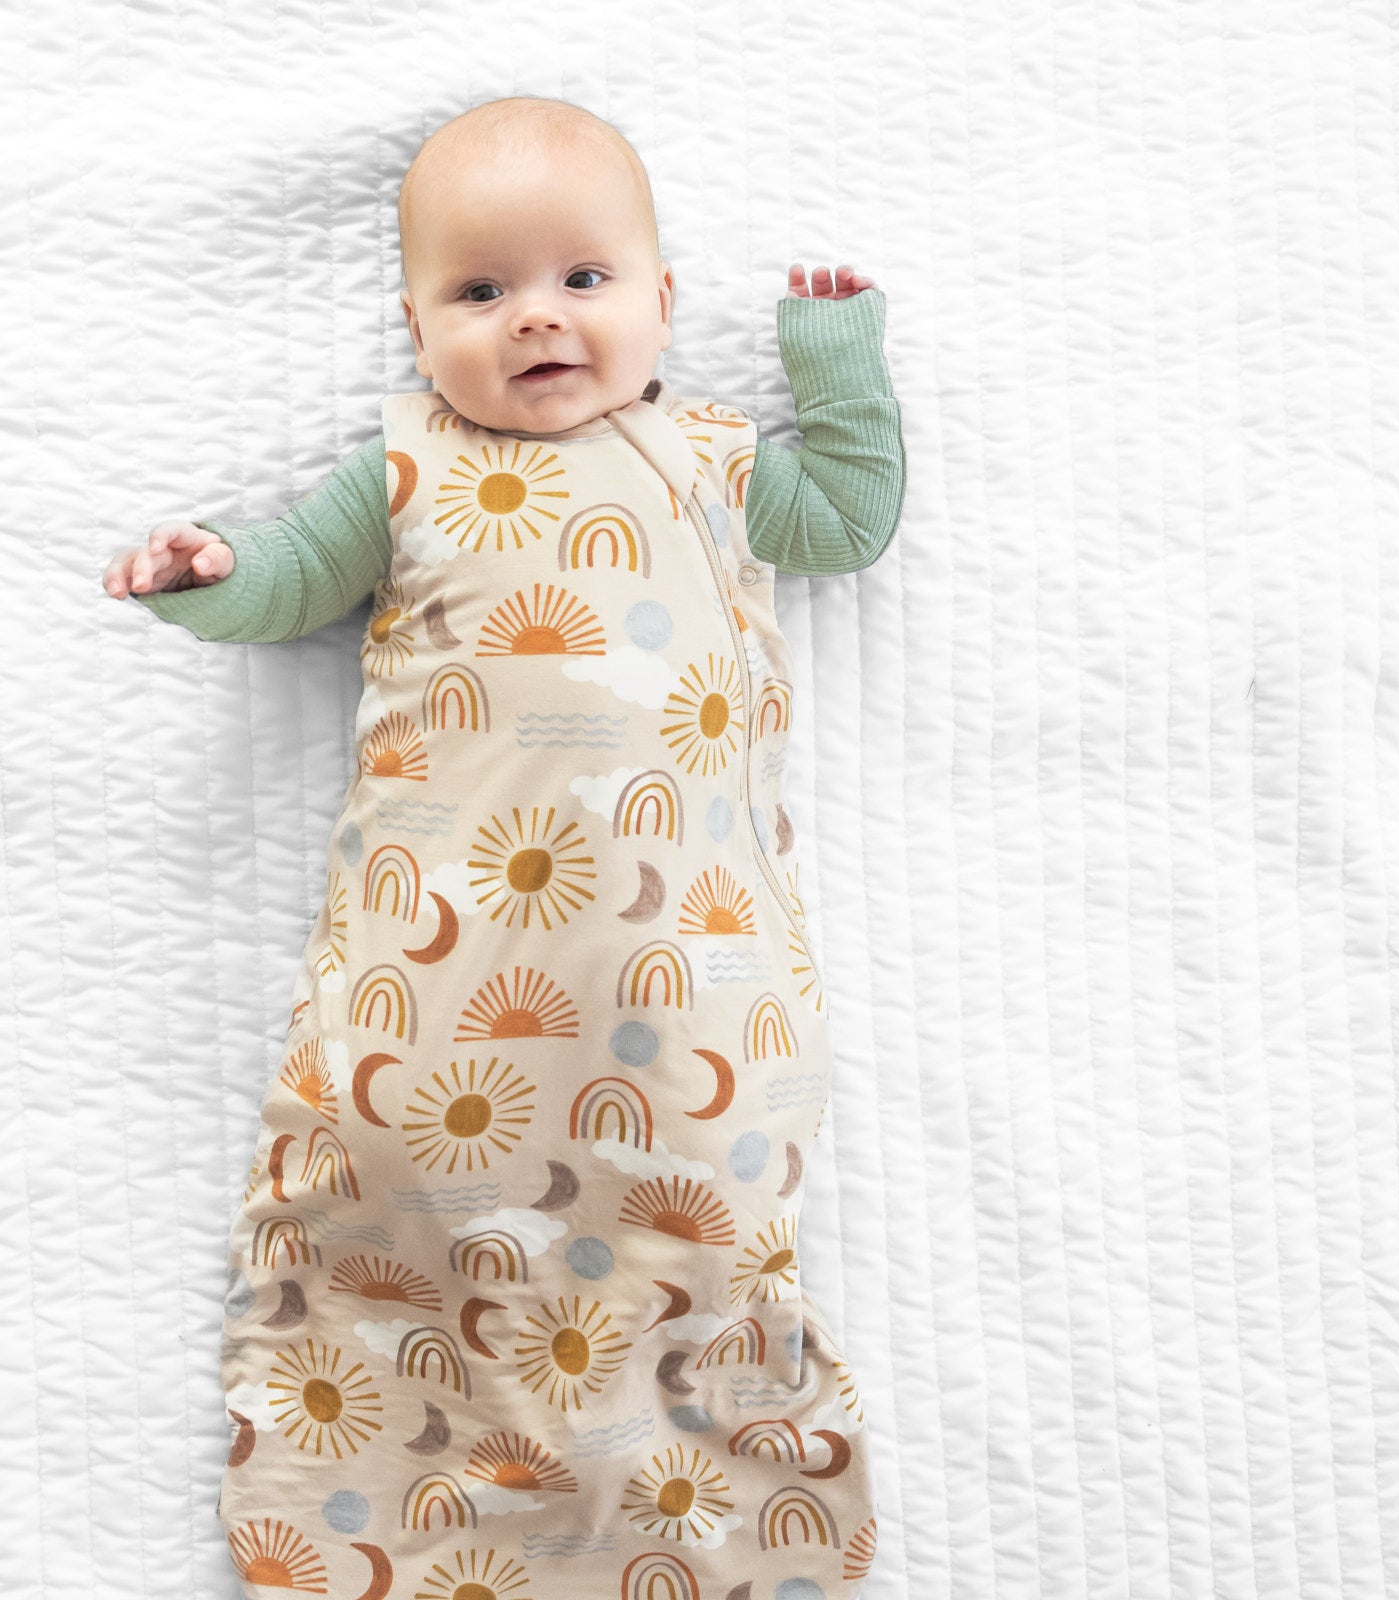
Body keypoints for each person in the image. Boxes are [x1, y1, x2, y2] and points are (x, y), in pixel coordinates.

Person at [102, 94, 904, 1600]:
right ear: (418, 330)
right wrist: (207, 577)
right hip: (433, 981)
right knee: (405, 1210)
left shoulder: (719, 460)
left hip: (685, 992)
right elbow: (286, 585)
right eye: (482, 294)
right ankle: (397, 1513)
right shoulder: (405, 469)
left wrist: (835, 366)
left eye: (582, 282)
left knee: (693, 1231)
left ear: (663, 303)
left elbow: (851, 520)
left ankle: (691, 1518)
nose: (536, 321)